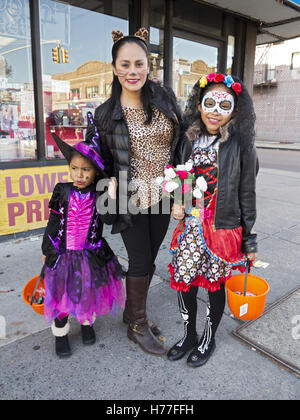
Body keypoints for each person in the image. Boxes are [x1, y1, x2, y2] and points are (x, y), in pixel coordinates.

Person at [88, 28, 191, 356]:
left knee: (150, 259)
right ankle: (137, 326)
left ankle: (133, 313)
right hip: (128, 198)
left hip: (162, 196)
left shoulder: (165, 100)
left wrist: (181, 197)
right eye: (125, 64)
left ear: (149, 66)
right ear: (115, 68)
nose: (132, 71)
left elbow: (181, 148)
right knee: (140, 260)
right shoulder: (105, 114)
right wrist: (106, 189)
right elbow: (97, 161)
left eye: (139, 64)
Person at [167, 73, 258, 367]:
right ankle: (190, 335)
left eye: (224, 105)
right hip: (190, 228)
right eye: (210, 103)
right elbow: (180, 175)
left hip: (222, 229)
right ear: (199, 104)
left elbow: (247, 193)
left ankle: (209, 339)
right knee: (185, 281)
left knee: (214, 286)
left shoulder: (241, 145)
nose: (215, 111)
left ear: (234, 110)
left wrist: (250, 239)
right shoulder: (187, 139)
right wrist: (177, 202)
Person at [41, 118, 125, 357]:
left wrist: (110, 194)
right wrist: (47, 250)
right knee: (62, 295)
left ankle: (87, 324)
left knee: (88, 292)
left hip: (91, 255)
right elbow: (54, 222)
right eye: (74, 168)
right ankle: (61, 333)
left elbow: (108, 221)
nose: (79, 174)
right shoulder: (62, 190)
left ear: (95, 172)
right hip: (63, 254)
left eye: (85, 170)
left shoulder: (99, 193)